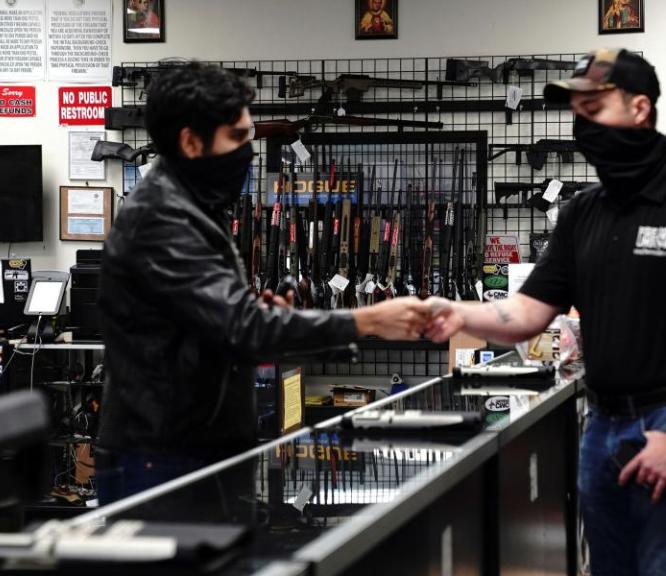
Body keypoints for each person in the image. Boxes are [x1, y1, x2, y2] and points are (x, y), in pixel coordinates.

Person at [426, 49, 666, 575]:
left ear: (639, 110)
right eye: (576, 110)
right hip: (603, 426)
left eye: (595, 107)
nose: (581, 122)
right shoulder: (582, 211)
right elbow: (526, 312)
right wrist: (454, 314)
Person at [96, 62, 430, 504]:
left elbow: (226, 329)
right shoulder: (162, 220)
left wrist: (284, 320)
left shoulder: (193, 207)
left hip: (194, 448)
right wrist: (365, 320)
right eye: (237, 137)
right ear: (190, 142)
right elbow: (242, 328)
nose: (249, 151)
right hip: (163, 457)